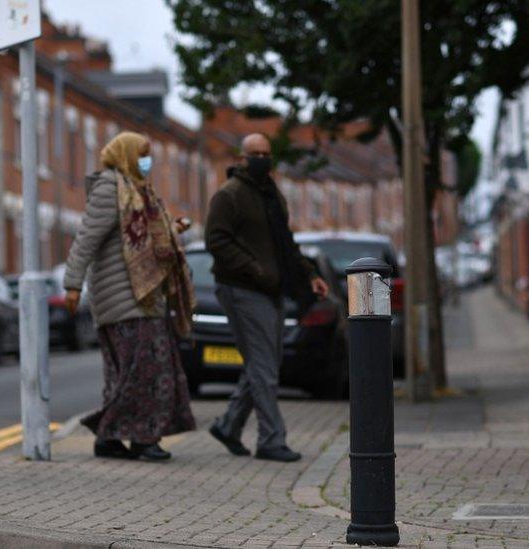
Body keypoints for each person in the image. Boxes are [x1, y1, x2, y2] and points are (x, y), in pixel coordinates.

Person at [63, 131, 196, 461]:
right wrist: (72, 284)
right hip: (124, 297)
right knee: (146, 371)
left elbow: (140, 236)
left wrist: (173, 230)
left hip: (144, 296)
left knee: (126, 374)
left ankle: (109, 439)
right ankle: (142, 439)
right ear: (124, 155)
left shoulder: (139, 190)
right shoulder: (111, 189)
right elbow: (86, 240)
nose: (146, 161)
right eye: (142, 154)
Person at [205, 133, 329, 462]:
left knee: (265, 364)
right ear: (242, 158)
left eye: (266, 153)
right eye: (255, 153)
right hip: (242, 289)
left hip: (271, 289)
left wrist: (310, 274)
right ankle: (271, 439)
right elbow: (216, 240)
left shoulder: (271, 195)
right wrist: (255, 269)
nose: (262, 159)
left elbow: (285, 243)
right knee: (264, 367)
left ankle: (229, 425)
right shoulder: (229, 195)